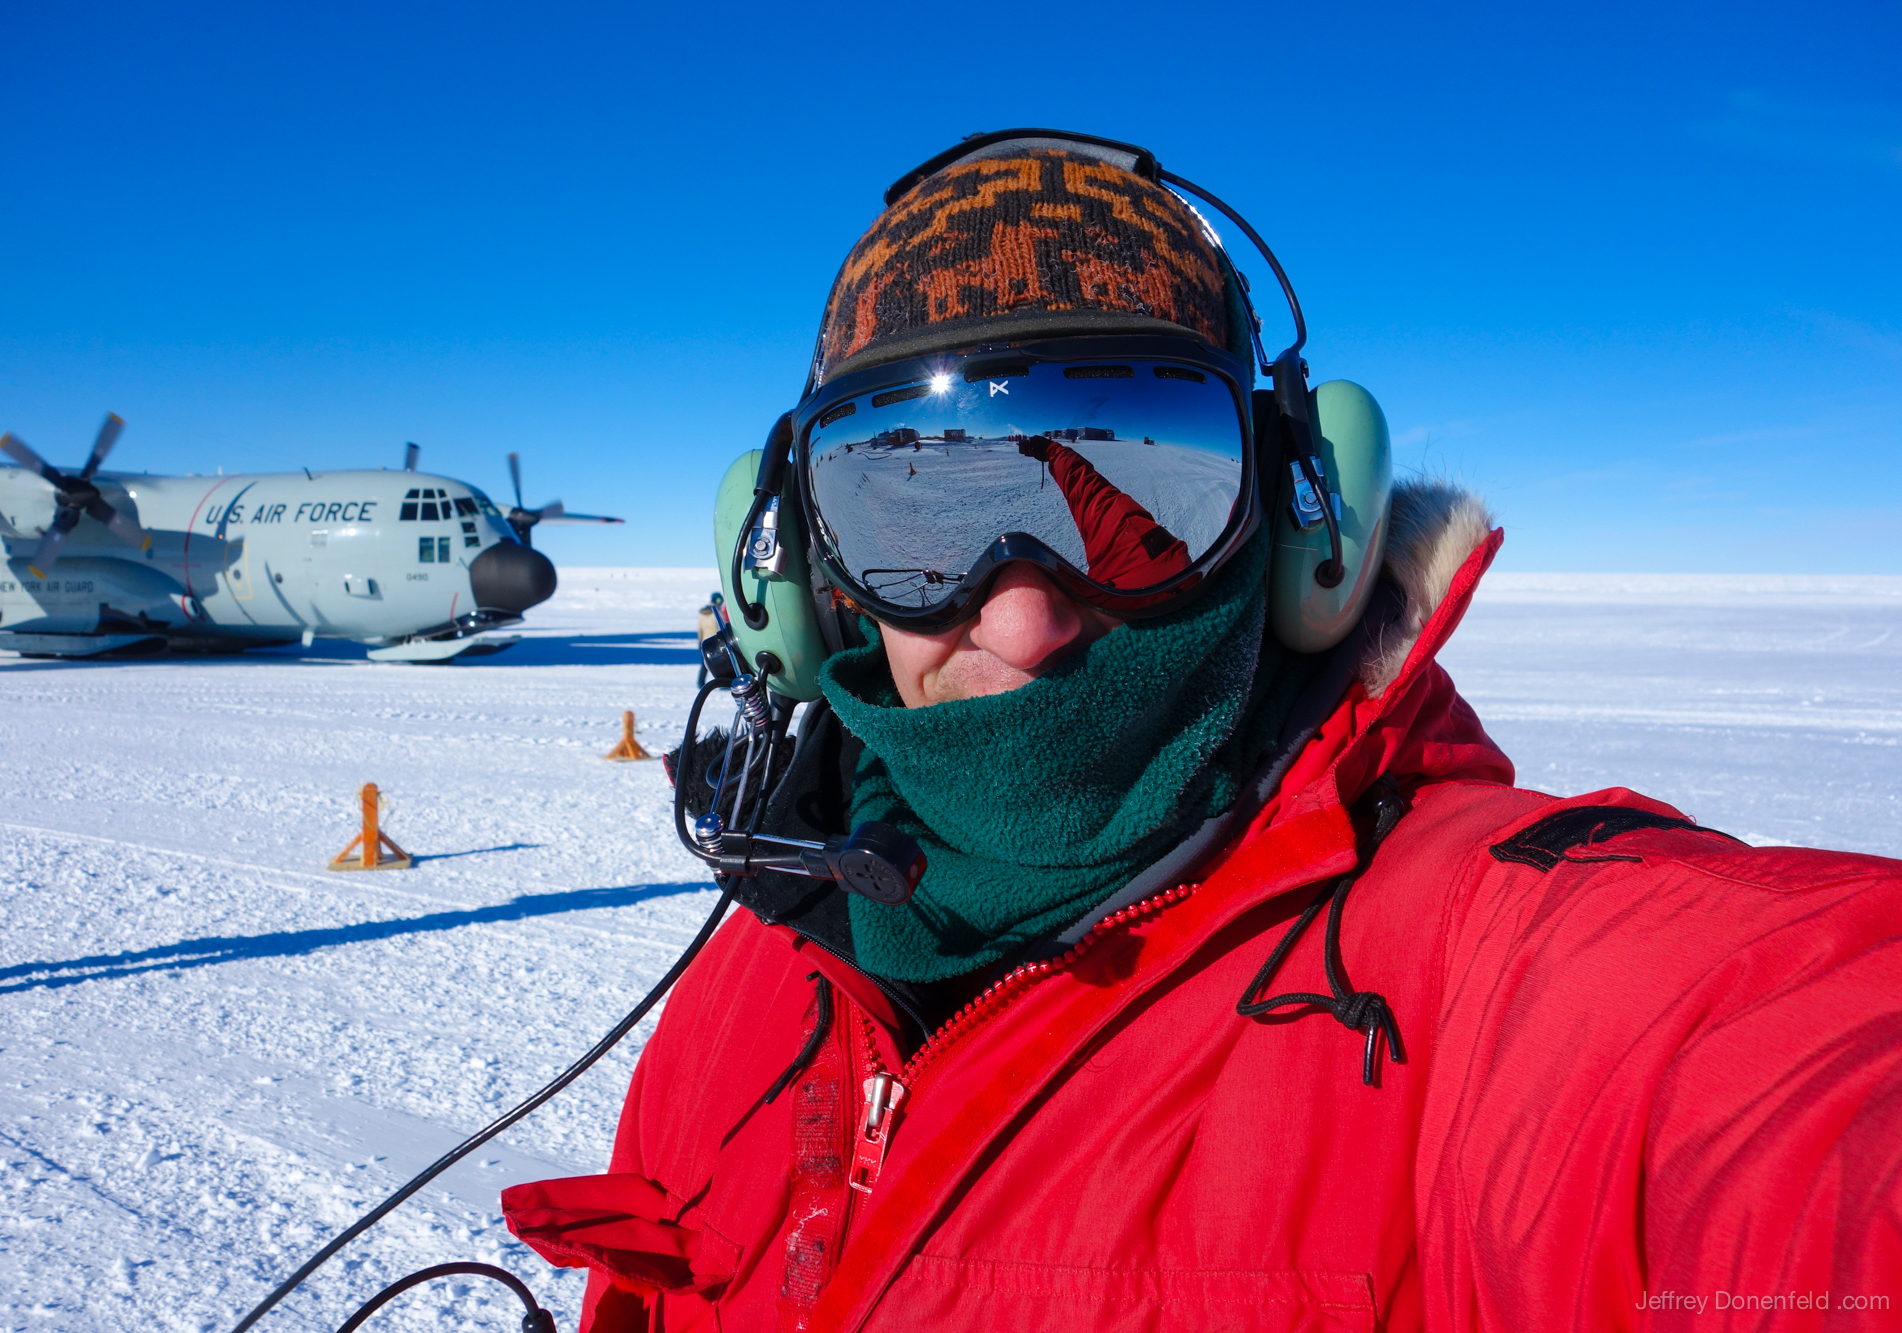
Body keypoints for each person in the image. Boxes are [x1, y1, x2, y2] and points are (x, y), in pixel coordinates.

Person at [503, 133, 1902, 1331]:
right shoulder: (755, 981)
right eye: (913, 517)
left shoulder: (1480, 974)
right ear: (799, 575)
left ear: (1305, 526)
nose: (1025, 623)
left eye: (1144, 499)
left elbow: (1786, 1095)